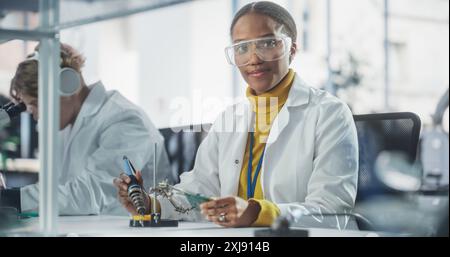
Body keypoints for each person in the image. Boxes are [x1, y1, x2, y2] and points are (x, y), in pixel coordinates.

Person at [114, 1, 358, 227]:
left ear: (291, 49)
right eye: (242, 47)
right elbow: (199, 195)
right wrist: (149, 204)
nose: (253, 58)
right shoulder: (229, 119)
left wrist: (255, 213)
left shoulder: (329, 114)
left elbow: (333, 209)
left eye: (267, 43)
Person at [0, 43, 172, 215]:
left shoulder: (124, 119)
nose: (36, 116)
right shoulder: (66, 125)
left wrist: (10, 198)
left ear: (67, 85)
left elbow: (92, 194)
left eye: (36, 105)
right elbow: (58, 193)